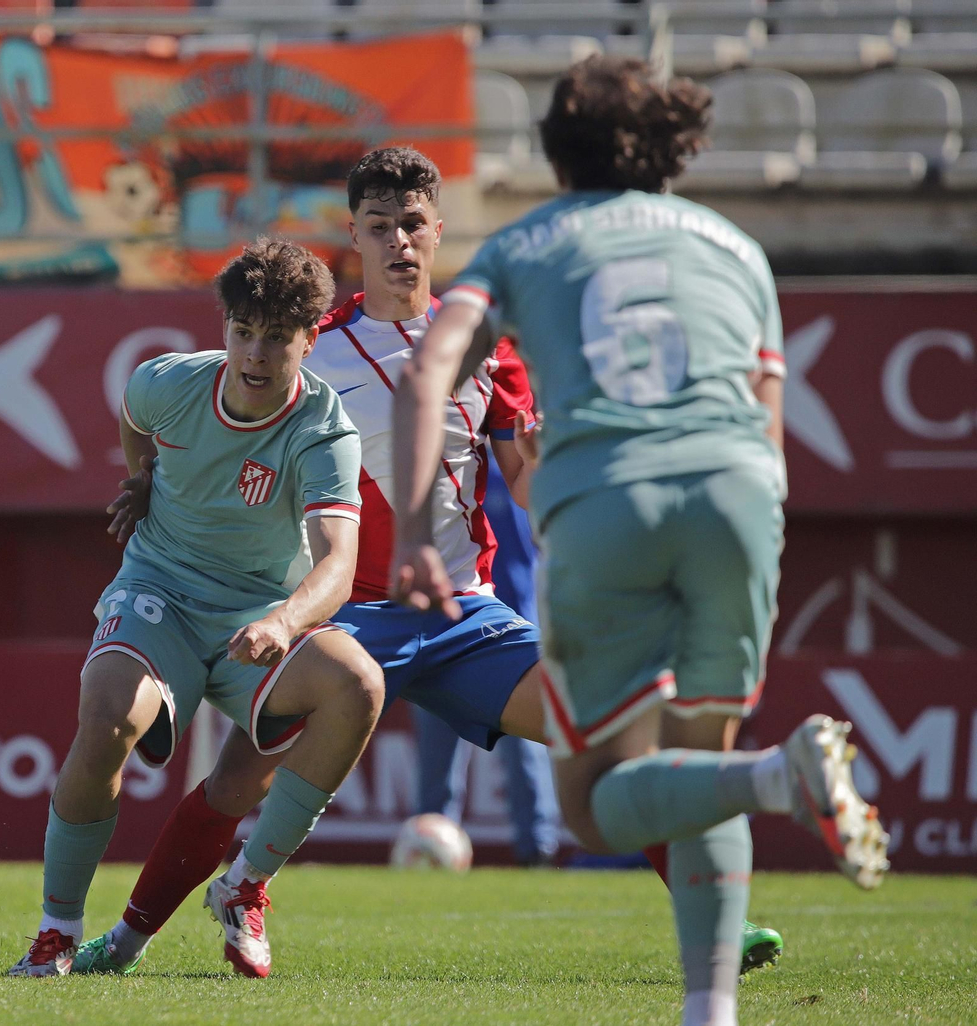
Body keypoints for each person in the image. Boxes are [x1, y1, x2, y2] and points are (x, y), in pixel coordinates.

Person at [72, 145, 785, 980]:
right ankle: (125, 942)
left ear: (438, 230)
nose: (399, 241)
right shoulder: (313, 351)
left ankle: (716, 929)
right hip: (345, 618)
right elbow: (221, 438)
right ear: (355, 237)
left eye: (413, 224)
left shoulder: (488, 347)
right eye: (380, 226)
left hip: (464, 615)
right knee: (238, 781)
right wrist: (152, 484)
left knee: (608, 736)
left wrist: (562, 476)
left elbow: (524, 486)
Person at [389, 57, 887, 1026]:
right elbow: (766, 419)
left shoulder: (524, 243)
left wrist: (415, 528)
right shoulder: (737, 248)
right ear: (670, 144)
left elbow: (426, 375)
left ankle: (780, 776)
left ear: (554, 149)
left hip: (606, 505)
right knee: (694, 766)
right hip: (740, 502)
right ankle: (712, 1010)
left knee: (595, 801)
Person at [9, 238, 386, 977]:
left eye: (277, 337)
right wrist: (146, 476)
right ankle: (56, 932)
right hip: (162, 594)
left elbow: (339, 566)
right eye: (243, 331)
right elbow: (134, 422)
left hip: (260, 620)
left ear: (310, 338)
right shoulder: (165, 384)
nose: (255, 352)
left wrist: (283, 620)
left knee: (360, 686)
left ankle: (246, 884)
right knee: (108, 714)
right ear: (224, 328)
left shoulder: (325, 431)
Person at [413, 457, 560, 868]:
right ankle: (429, 844)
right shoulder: (446, 462)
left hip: (512, 618)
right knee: (436, 740)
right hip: (447, 620)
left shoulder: (514, 464)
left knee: (524, 746)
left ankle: (537, 848)